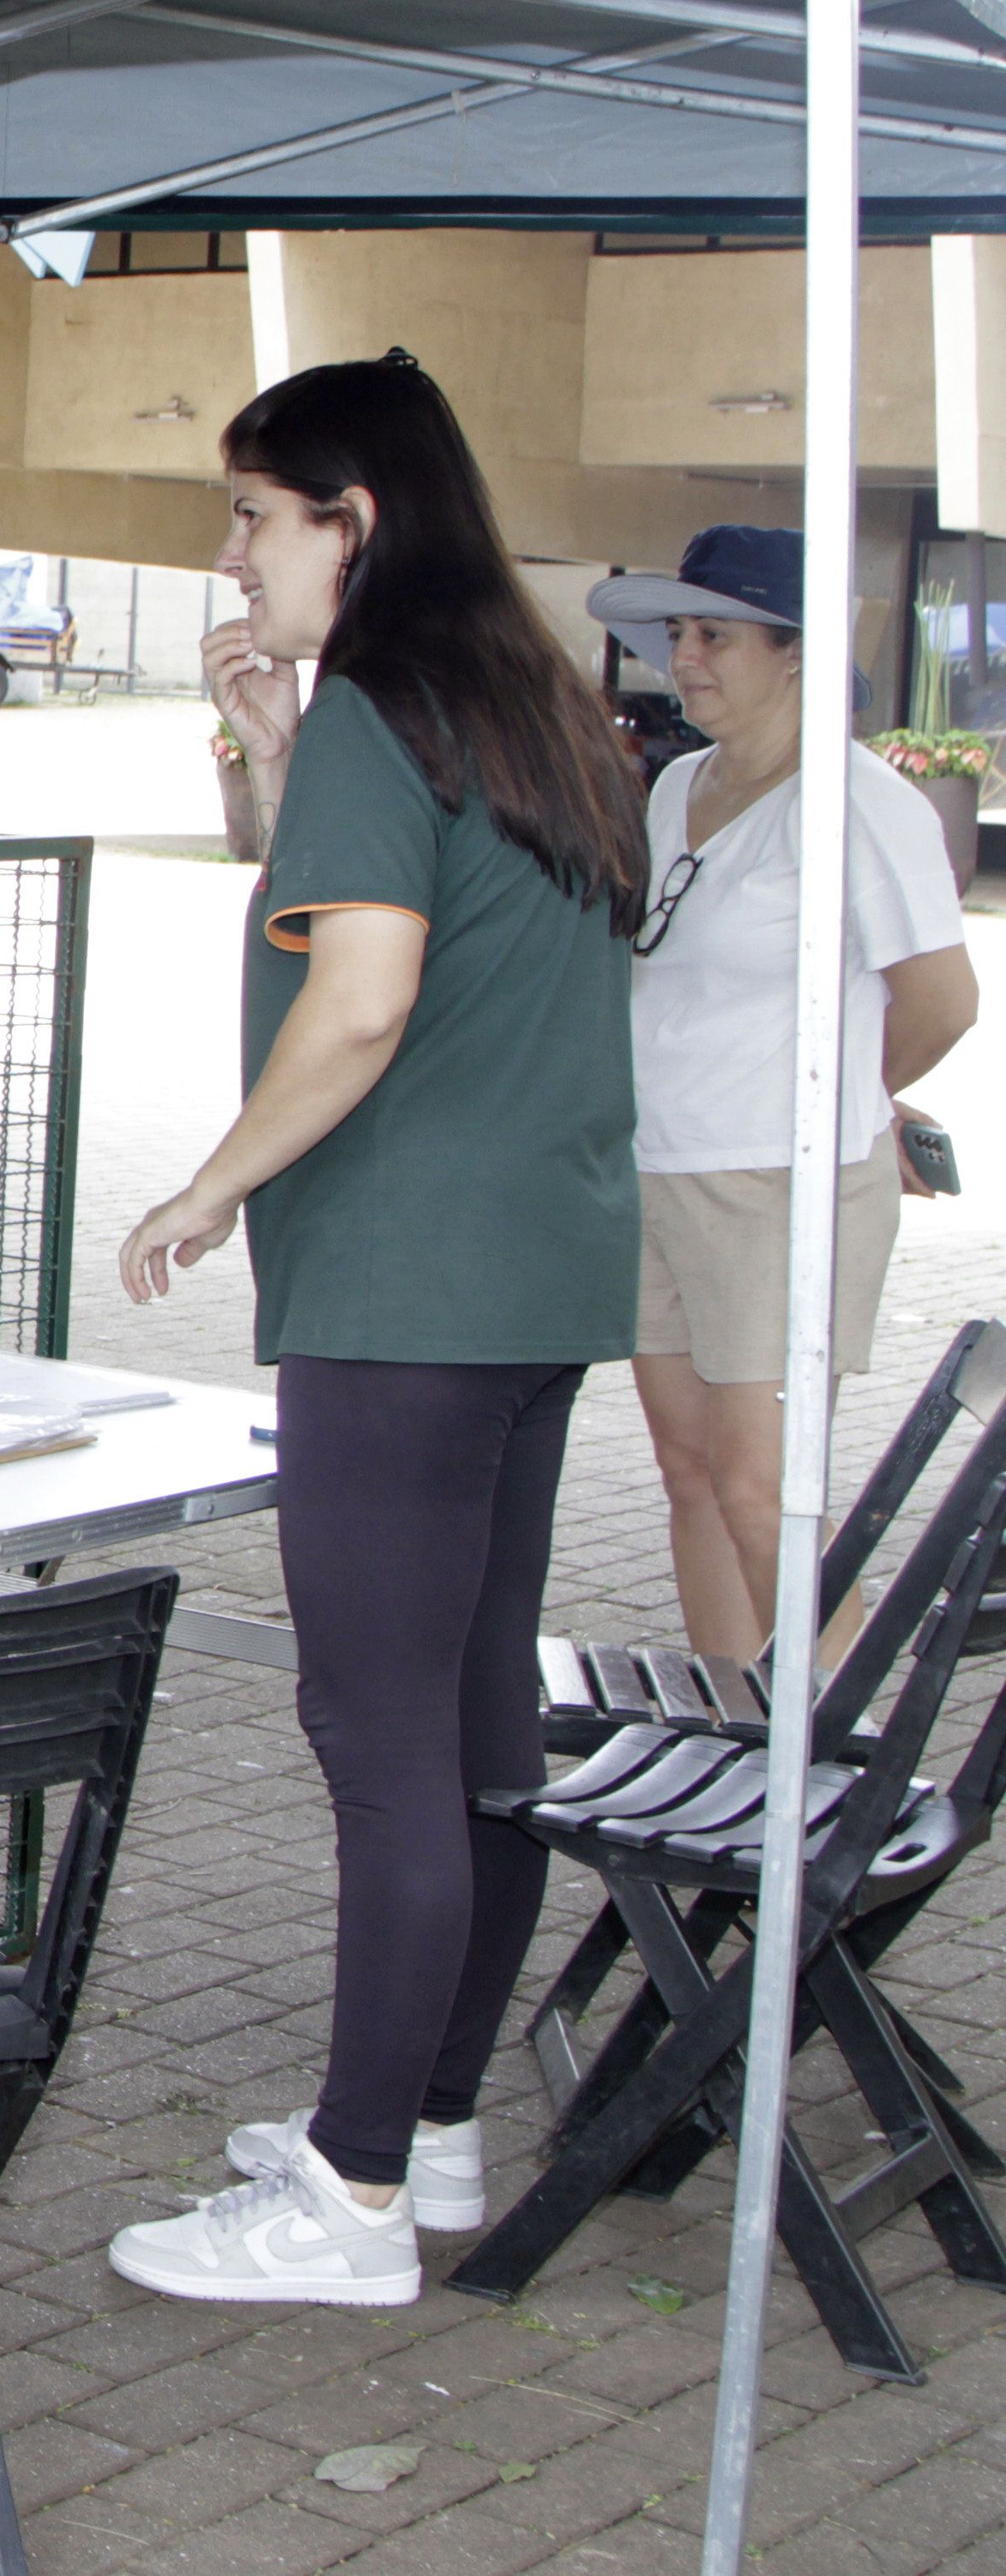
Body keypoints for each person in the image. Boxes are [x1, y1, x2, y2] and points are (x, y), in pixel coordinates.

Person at [108, 352, 645, 2308]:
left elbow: (359, 1002)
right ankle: (425, 2124)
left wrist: (209, 1183)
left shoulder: (380, 710)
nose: (231, 556)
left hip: (404, 1291)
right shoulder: (528, 701)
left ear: (357, 520)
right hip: (533, 1284)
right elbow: (418, 928)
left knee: (379, 1733)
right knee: (477, 1725)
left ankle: (346, 2197)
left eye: (256, 516)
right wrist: (274, 754)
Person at [587, 527, 977, 1662]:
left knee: (767, 1494)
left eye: (716, 634)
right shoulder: (678, 786)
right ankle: (734, 1728)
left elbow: (944, 1000)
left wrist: (849, 1096)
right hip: (654, 1169)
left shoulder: (860, 804)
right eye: (678, 633)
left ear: (797, 651)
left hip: (780, 1189)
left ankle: (833, 1747)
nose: (684, 657)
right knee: (692, 1474)